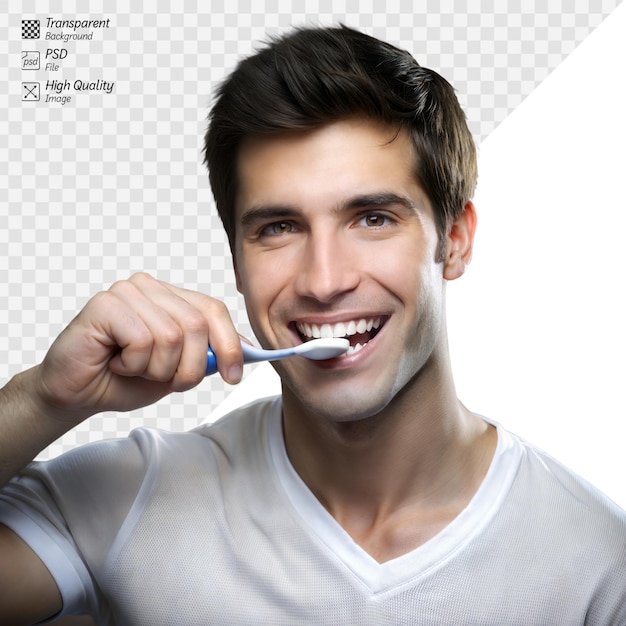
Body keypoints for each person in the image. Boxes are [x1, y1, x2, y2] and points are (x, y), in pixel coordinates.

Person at [1, 25, 625, 625]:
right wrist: (43, 397)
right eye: (278, 228)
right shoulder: (127, 499)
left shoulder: (600, 571)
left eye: (373, 218)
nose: (323, 281)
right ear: (238, 265)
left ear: (455, 242)